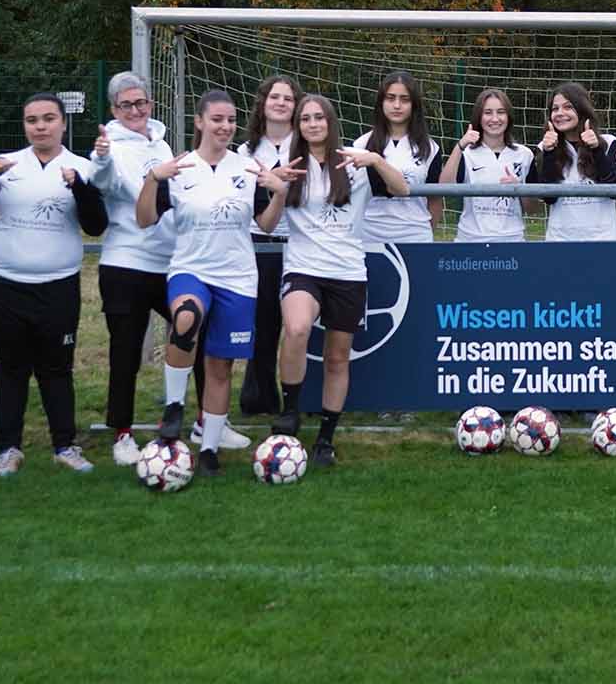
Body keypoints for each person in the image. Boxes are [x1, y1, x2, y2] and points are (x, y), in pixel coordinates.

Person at [93, 72, 248, 466]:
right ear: (114, 109)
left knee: (194, 332)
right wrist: (102, 158)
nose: (135, 111)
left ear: (150, 104)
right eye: (126, 105)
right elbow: (103, 180)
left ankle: (204, 421)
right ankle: (123, 432)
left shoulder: (162, 145)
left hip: (170, 262)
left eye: (141, 102)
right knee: (126, 351)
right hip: (125, 263)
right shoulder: (110, 146)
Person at [135, 89, 290, 477]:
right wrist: (153, 179)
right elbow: (143, 219)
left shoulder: (248, 168)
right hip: (191, 269)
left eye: (230, 120)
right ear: (200, 122)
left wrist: (280, 193)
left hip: (238, 276)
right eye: (217, 119)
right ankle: (174, 408)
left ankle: (208, 451)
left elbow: (266, 225)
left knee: (220, 367)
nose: (224, 126)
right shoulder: (179, 168)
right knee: (185, 318)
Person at [0, 93, 111, 477]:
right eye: (32, 120)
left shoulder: (81, 167)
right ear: (24, 125)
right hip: (4, 285)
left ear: (63, 123)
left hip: (57, 287)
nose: (40, 126)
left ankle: (65, 445)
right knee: (11, 368)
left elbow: (96, 226)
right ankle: (8, 449)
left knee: (56, 369)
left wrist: (80, 188)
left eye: (48, 118)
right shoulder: (8, 164)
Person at [270, 94, 411, 467]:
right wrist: (275, 188)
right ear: (298, 126)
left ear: (331, 122)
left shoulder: (354, 161)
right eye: (305, 119)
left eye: (319, 118)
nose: (313, 124)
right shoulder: (288, 164)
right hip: (303, 267)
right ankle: (290, 410)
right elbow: (266, 223)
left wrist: (377, 160)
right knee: (297, 328)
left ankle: (326, 439)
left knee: (337, 358)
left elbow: (402, 190)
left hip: (348, 271)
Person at [239, 75, 303, 416]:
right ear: (263, 103)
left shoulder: (307, 144)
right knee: (263, 324)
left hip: (301, 242)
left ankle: (304, 397)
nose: (281, 103)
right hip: (259, 243)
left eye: (288, 98)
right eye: (275, 97)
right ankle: (259, 397)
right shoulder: (245, 151)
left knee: (299, 325)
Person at [354, 70, 443, 246]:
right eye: (390, 98)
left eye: (404, 99)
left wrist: (423, 231)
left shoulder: (431, 148)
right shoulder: (361, 145)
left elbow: (435, 200)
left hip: (415, 236)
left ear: (414, 104)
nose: (397, 105)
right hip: (369, 238)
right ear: (381, 102)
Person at [440, 88, 539, 242]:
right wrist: (460, 146)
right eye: (488, 113)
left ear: (508, 116)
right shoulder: (467, 153)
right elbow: (444, 188)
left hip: (512, 241)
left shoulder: (524, 155)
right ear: (479, 117)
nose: (494, 118)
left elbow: (533, 209)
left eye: (500, 112)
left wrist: (518, 188)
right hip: (471, 240)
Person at [534, 82, 616, 241]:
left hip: (603, 239)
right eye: (555, 109)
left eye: (568, 107)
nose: (560, 113)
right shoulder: (543, 148)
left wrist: (596, 149)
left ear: (582, 109)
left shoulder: (608, 143)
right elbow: (549, 198)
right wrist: (549, 153)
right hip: (560, 240)